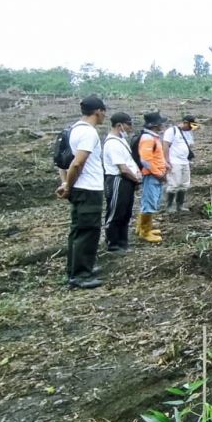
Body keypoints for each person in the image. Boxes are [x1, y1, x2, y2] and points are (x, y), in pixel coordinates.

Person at [55, 95, 107, 289]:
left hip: (80, 188)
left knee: (78, 230)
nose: (104, 116)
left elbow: (61, 161)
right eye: (103, 112)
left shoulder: (71, 130)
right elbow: (77, 163)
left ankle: (77, 268)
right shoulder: (88, 133)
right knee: (87, 231)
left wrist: (65, 183)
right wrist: (68, 185)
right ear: (98, 111)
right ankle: (80, 275)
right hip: (87, 188)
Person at [103, 112, 141, 253]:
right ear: (120, 125)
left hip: (127, 180)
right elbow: (123, 168)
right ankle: (113, 243)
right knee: (116, 212)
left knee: (126, 212)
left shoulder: (121, 140)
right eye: (128, 124)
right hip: (118, 180)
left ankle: (123, 242)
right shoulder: (112, 143)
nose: (130, 127)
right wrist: (136, 179)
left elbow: (129, 162)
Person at [137, 112, 167, 243]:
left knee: (149, 202)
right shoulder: (148, 139)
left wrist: (165, 166)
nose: (162, 125)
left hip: (155, 175)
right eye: (160, 123)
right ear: (155, 125)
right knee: (149, 203)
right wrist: (158, 174)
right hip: (152, 176)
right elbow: (145, 161)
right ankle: (145, 232)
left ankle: (142, 228)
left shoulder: (153, 138)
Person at [163, 115, 197, 211]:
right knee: (174, 184)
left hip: (185, 161)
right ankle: (169, 206)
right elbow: (165, 145)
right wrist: (166, 160)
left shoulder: (188, 133)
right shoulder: (172, 131)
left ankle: (180, 205)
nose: (191, 128)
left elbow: (190, 145)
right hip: (174, 161)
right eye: (190, 126)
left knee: (184, 184)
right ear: (185, 122)